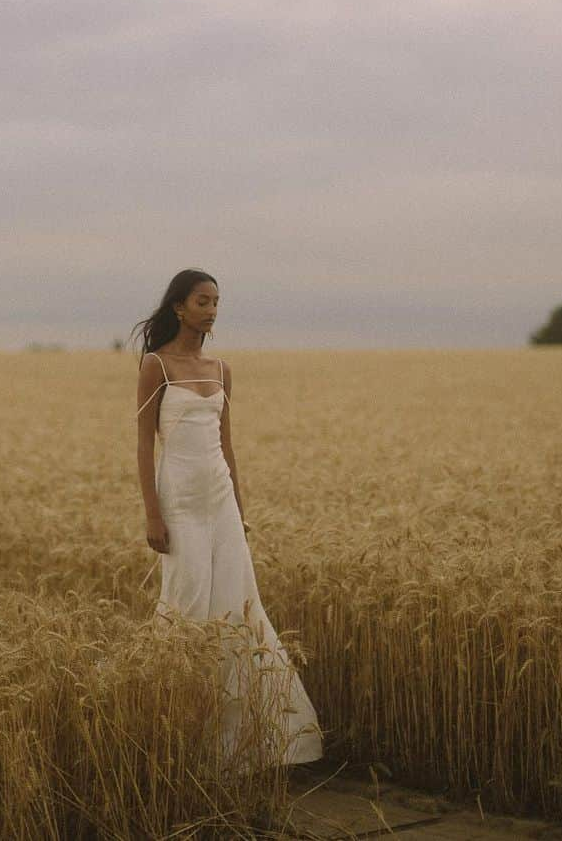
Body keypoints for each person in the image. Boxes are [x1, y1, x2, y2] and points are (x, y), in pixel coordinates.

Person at [132, 268, 323, 768]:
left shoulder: (221, 370)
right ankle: (172, 729)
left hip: (218, 496)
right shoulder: (156, 365)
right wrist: (152, 513)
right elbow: (142, 445)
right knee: (187, 600)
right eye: (202, 301)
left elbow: (228, 445)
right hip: (179, 498)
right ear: (179, 307)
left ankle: (244, 746)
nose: (212, 309)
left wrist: (239, 511)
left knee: (238, 602)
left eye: (216, 301)